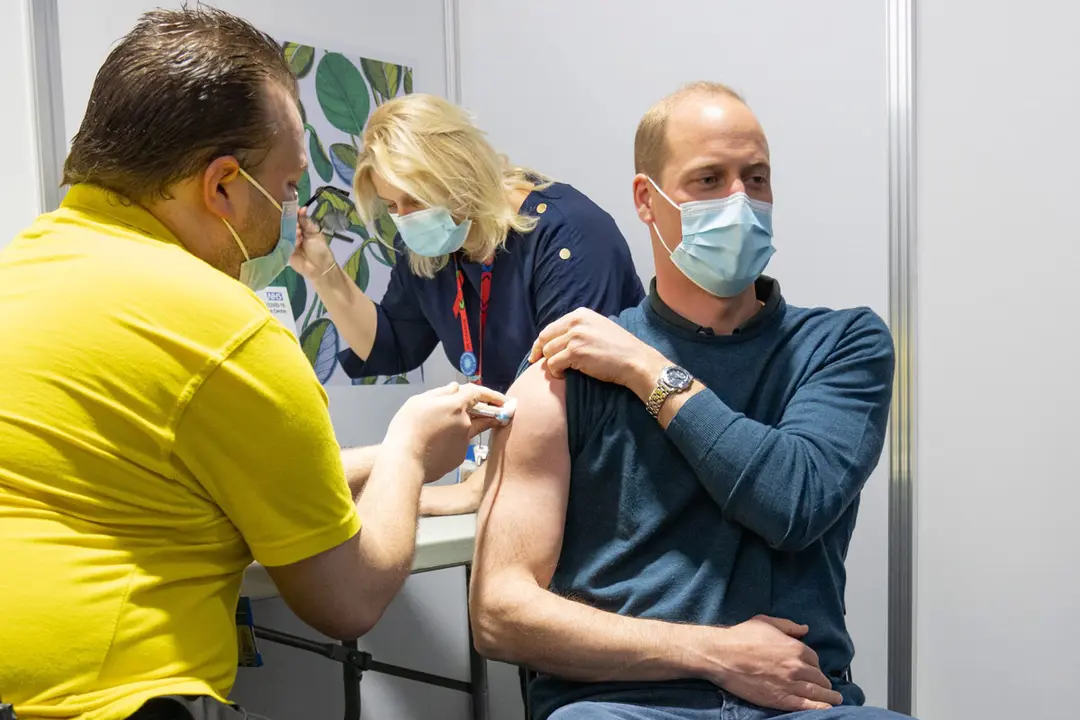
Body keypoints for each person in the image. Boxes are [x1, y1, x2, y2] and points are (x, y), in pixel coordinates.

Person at [0, 8, 505, 720]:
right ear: (224, 186)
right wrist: (411, 446)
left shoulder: (21, 268)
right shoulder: (225, 330)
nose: (290, 207)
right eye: (289, 184)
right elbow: (347, 599)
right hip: (109, 701)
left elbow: (204, 473)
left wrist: (393, 461)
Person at [469, 82, 907, 720]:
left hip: (802, 705)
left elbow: (792, 502)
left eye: (755, 178)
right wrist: (710, 653)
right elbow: (499, 613)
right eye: (709, 180)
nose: (740, 201)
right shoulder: (565, 373)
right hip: (619, 707)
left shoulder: (841, 345)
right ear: (648, 200)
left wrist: (647, 369)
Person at [288, 93, 645, 517]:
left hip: (607, 482)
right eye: (392, 207)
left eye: (415, 200)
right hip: (521, 482)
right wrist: (323, 271)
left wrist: (470, 490)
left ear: (460, 173)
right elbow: (392, 344)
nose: (405, 219)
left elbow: (572, 395)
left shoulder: (568, 235)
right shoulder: (435, 247)